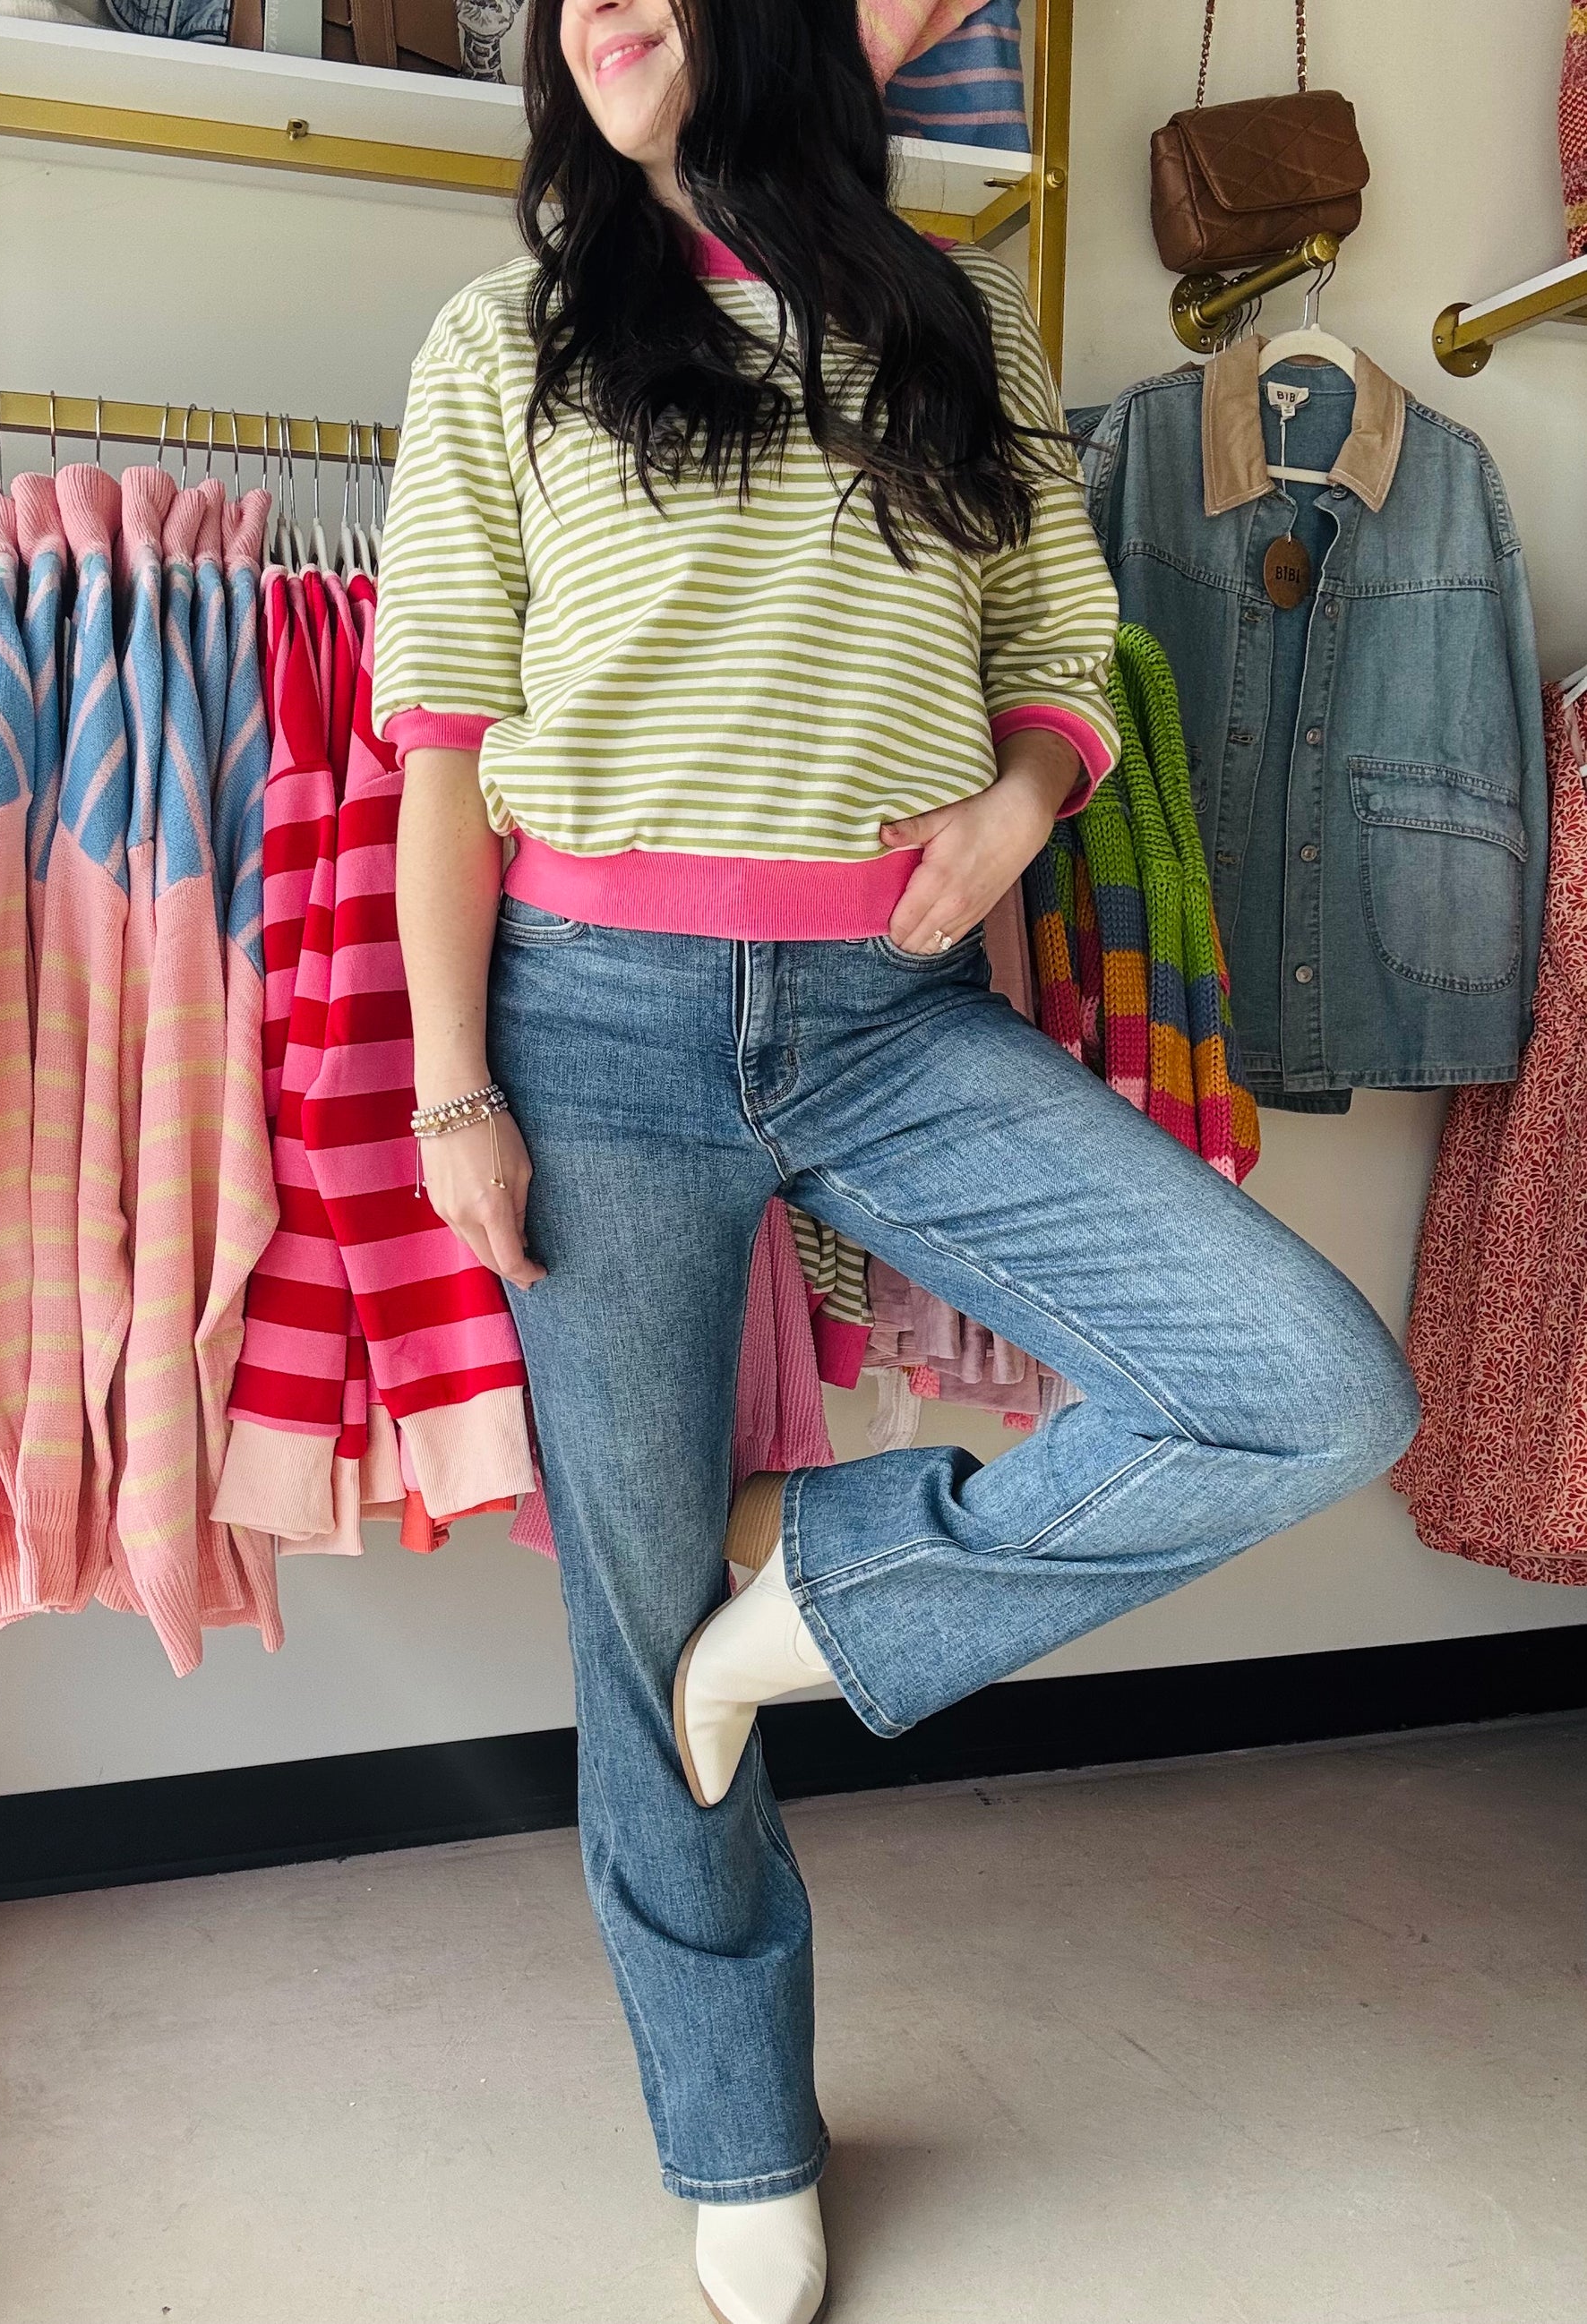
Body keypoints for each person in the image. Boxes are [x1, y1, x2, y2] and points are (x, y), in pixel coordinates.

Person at [374, 4, 1422, 2317]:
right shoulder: (504, 334)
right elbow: (440, 746)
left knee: (1308, 1383)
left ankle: (815, 1595)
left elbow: (1057, 638)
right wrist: (452, 1090)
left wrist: (1025, 800)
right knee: (630, 1629)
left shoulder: (957, 319)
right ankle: (735, 2128)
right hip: (591, 1027)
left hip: (888, 1012)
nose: (593, 7)